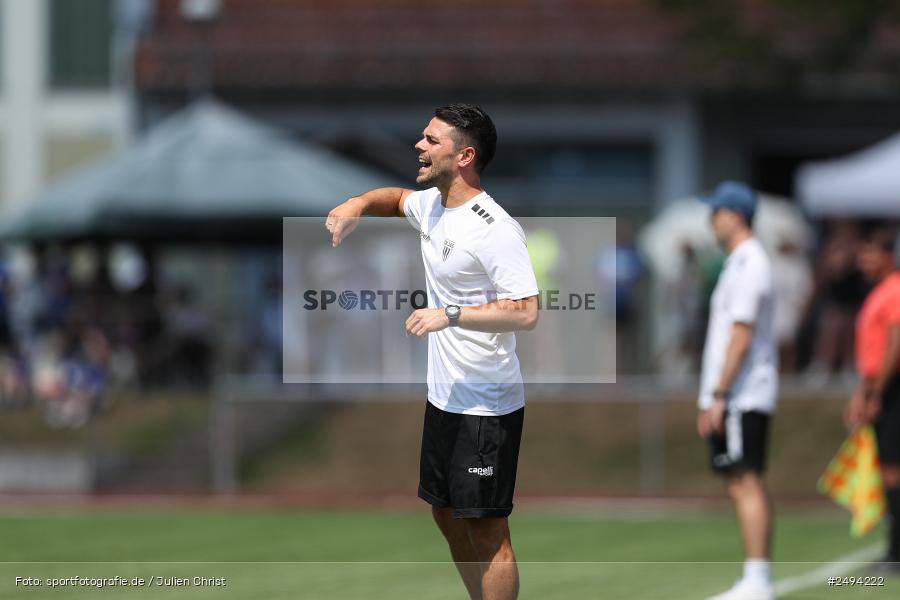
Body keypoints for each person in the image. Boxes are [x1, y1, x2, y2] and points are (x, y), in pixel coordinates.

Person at [325, 103, 538, 600]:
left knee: (487, 530)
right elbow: (397, 198)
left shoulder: (494, 227)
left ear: (464, 156)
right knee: (445, 512)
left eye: (431, 140)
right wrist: (358, 203)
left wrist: (451, 314)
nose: (419, 146)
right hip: (444, 398)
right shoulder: (433, 206)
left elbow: (526, 312)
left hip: (485, 404)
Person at [696, 181, 778, 600]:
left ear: (735, 216)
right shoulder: (737, 263)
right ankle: (755, 576)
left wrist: (719, 395)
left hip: (742, 394)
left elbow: (741, 337)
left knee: (746, 480)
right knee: (738, 480)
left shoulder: (751, 263)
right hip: (734, 394)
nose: (710, 221)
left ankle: (758, 579)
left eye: (716, 213)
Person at [846, 228, 900, 572]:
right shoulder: (877, 292)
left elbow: (895, 344)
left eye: (871, 254)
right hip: (879, 386)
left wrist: (878, 393)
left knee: (894, 471)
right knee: (886, 469)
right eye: (862, 255)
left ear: (888, 256)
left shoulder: (894, 289)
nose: (864, 262)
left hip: (893, 388)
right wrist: (861, 392)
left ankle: (897, 551)